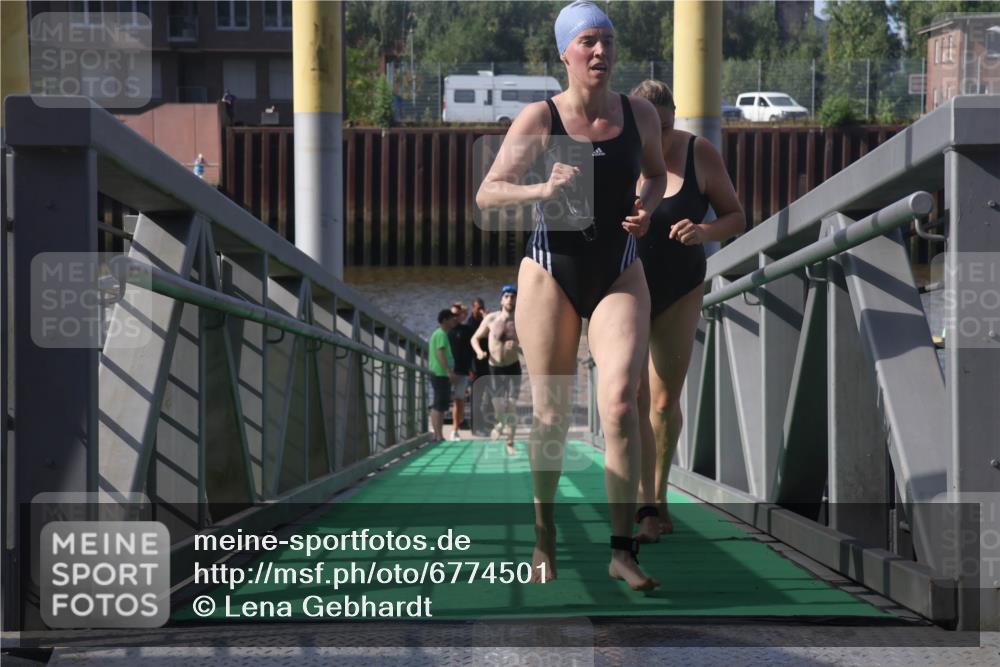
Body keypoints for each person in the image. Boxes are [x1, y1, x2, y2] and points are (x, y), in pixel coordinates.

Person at [475, 2, 667, 590]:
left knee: (620, 405)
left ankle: (621, 550)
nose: (601, 51)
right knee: (552, 412)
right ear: (565, 53)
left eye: (607, 40)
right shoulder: (542, 118)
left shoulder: (639, 114)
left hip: (619, 269)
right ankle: (544, 534)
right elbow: (488, 193)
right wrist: (543, 187)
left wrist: (646, 209)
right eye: (588, 41)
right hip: (550, 271)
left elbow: (656, 174)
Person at [630, 80, 745, 542]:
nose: (659, 136)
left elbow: (736, 216)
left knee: (663, 402)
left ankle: (658, 496)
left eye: (666, 125)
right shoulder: (618, 153)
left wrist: (703, 230)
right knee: (634, 396)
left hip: (681, 288)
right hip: (627, 289)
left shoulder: (699, 153)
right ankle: (643, 504)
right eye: (650, 127)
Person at [471, 285, 521, 455]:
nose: (510, 299)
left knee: (512, 406)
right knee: (499, 408)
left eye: (513, 296)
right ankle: (500, 423)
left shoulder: (521, 321)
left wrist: (517, 347)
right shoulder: (491, 319)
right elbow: (475, 338)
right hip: (495, 369)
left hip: (513, 368)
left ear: (517, 300)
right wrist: (479, 352)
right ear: (501, 300)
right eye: (506, 296)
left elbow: (530, 349)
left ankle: (510, 442)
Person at [428, 309, 458, 442]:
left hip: (440, 373)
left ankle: (438, 434)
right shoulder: (441, 334)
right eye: (452, 318)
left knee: (440, 404)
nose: (454, 320)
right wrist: (449, 371)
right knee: (438, 405)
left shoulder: (440, 333)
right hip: (440, 373)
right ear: (445, 320)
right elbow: (440, 353)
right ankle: (437, 435)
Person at [447, 302, 475, 440]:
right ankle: (439, 429)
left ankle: (455, 429)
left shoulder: (467, 330)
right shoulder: (444, 331)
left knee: (459, 400)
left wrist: (472, 369)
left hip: (462, 371)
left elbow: (471, 351)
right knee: (443, 400)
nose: (454, 317)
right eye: (451, 314)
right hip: (447, 370)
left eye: (456, 314)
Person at [468, 298, 493, 434]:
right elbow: (469, 347)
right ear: (473, 308)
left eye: (482, 307)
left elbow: (494, 336)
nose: (481, 310)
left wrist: (487, 320)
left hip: (488, 365)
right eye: (478, 308)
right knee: (476, 398)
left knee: (490, 396)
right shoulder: (470, 324)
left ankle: (489, 424)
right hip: (475, 366)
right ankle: (476, 427)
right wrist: (470, 369)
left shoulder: (486, 321)